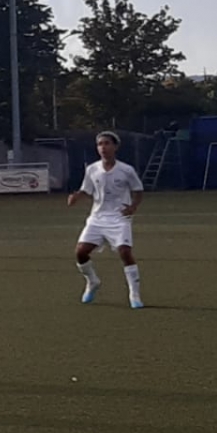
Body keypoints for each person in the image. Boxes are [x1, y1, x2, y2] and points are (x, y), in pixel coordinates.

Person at [68, 131, 145, 308]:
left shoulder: (126, 170)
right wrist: (76, 196)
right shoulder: (92, 169)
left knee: (124, 252)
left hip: (119, 217)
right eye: (100, 144)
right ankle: (92, 281)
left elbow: (138, 190)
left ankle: (134, 294)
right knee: (80, 252)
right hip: (97, 218)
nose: (103, 147)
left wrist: (133, 207)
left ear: (115, 147)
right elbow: (86, 189)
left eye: (107, 143)